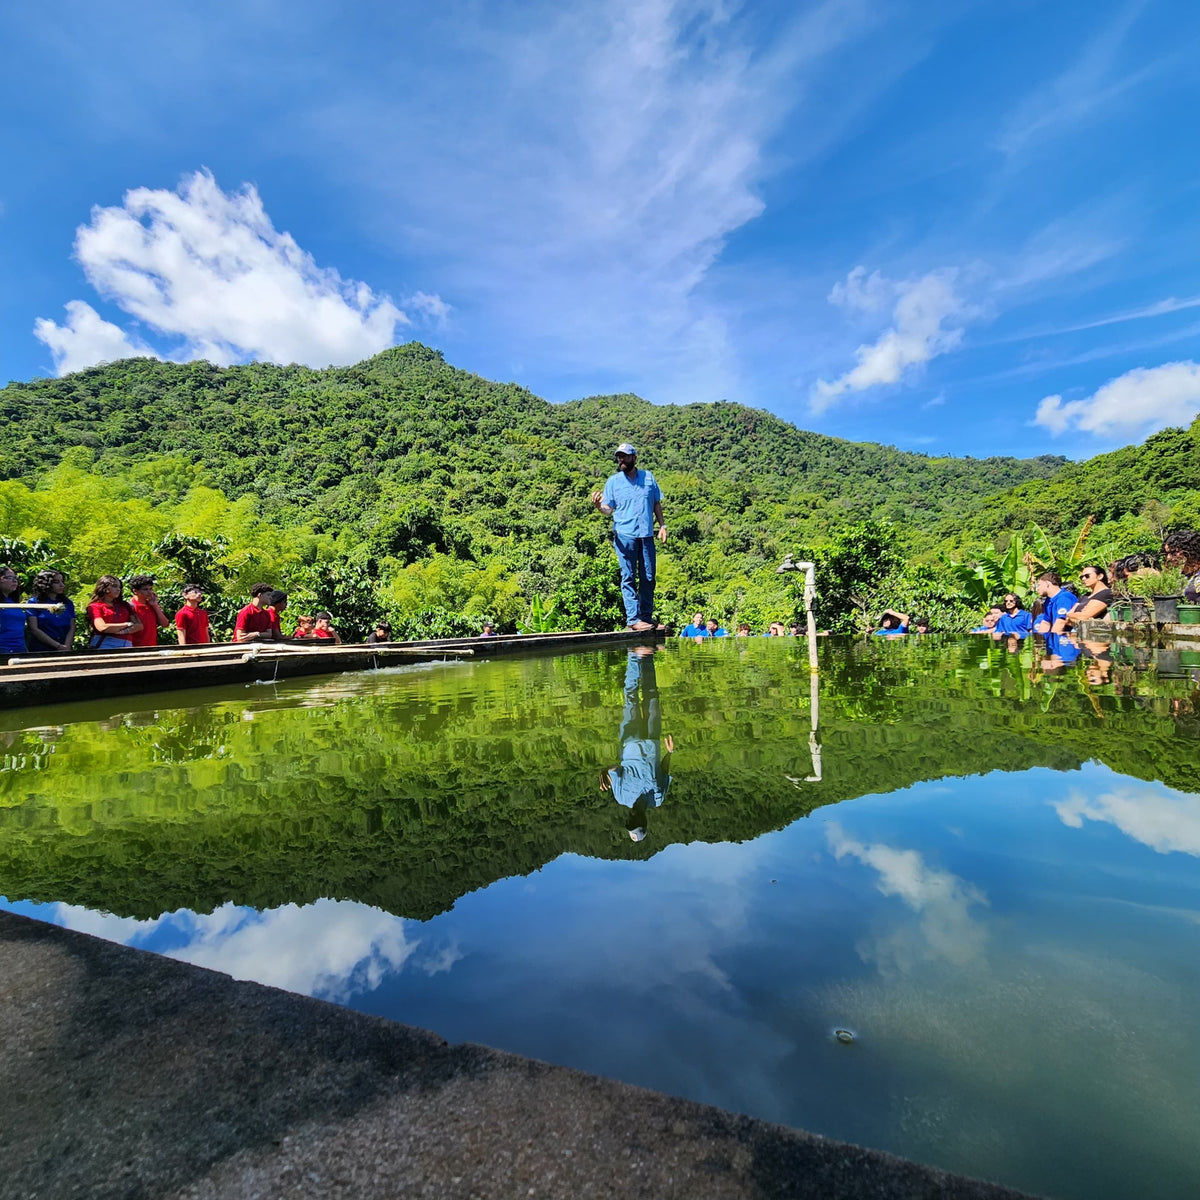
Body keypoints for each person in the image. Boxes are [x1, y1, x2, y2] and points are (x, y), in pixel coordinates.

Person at [591, 442, 668, 632]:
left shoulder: (648, 477)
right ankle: (633, 619)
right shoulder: (613, 481)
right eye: (619, 457)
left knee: (648, 577)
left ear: (634, 457)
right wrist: (599, 507)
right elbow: (608, 509)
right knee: (628, 577)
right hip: (625, 536)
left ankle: (646, 618)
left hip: (647, 535)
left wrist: (662, 525)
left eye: (625, 456)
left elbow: (656, 503)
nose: (621, 460)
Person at [600, 646, 674, 842]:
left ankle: (634, 656)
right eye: (636, 821)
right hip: (652, 742)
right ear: (644, 820)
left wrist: (605, 770)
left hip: (630, 742)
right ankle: (647, 657)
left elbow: (614, 770)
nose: (632, 817)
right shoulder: (657, 799)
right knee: (652, 696)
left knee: (631, 699)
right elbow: (664, 773)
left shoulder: (621, 797)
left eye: (630, 822)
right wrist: (670, 753)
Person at [25, 569, 76, 654]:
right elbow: (34, 628)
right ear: (46, 584)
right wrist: (57, 646)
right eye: (56, 582)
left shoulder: (67, 603)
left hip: (65, 648)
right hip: (41, 649)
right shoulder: (33, 602)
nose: (62, 585)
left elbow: (72, 627)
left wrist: (66, 646)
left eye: (62, 581)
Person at [85, 575, 142, 650]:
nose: (118, 589)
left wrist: (121, 631)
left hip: (126, 643)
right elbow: (102, 627)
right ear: (104, 588)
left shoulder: (125, 605)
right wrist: (127, 624)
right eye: (114, 586)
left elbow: (139, 626)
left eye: (119, 587)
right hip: (105, 644)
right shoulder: (95, 606)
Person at [128, 574, 171, 648]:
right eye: (145, 589)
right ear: (135, 591)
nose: (150, 592)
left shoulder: (152, 605)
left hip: (152, 647)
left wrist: (155, 606)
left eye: (151, 589)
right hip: (134, 649)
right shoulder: (129, 607)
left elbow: (165, 624)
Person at [0, 566, 32, 656]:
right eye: (10, 578)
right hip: (3, 649)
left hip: (20, 648)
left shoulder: (14, 603)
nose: (15, 581)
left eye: (16, 578)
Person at [1163, 530, 1200, 602]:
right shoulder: (1181, 577)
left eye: (1173, 552)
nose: (1168, 557)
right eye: (1166, 554)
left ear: (1189, 550)